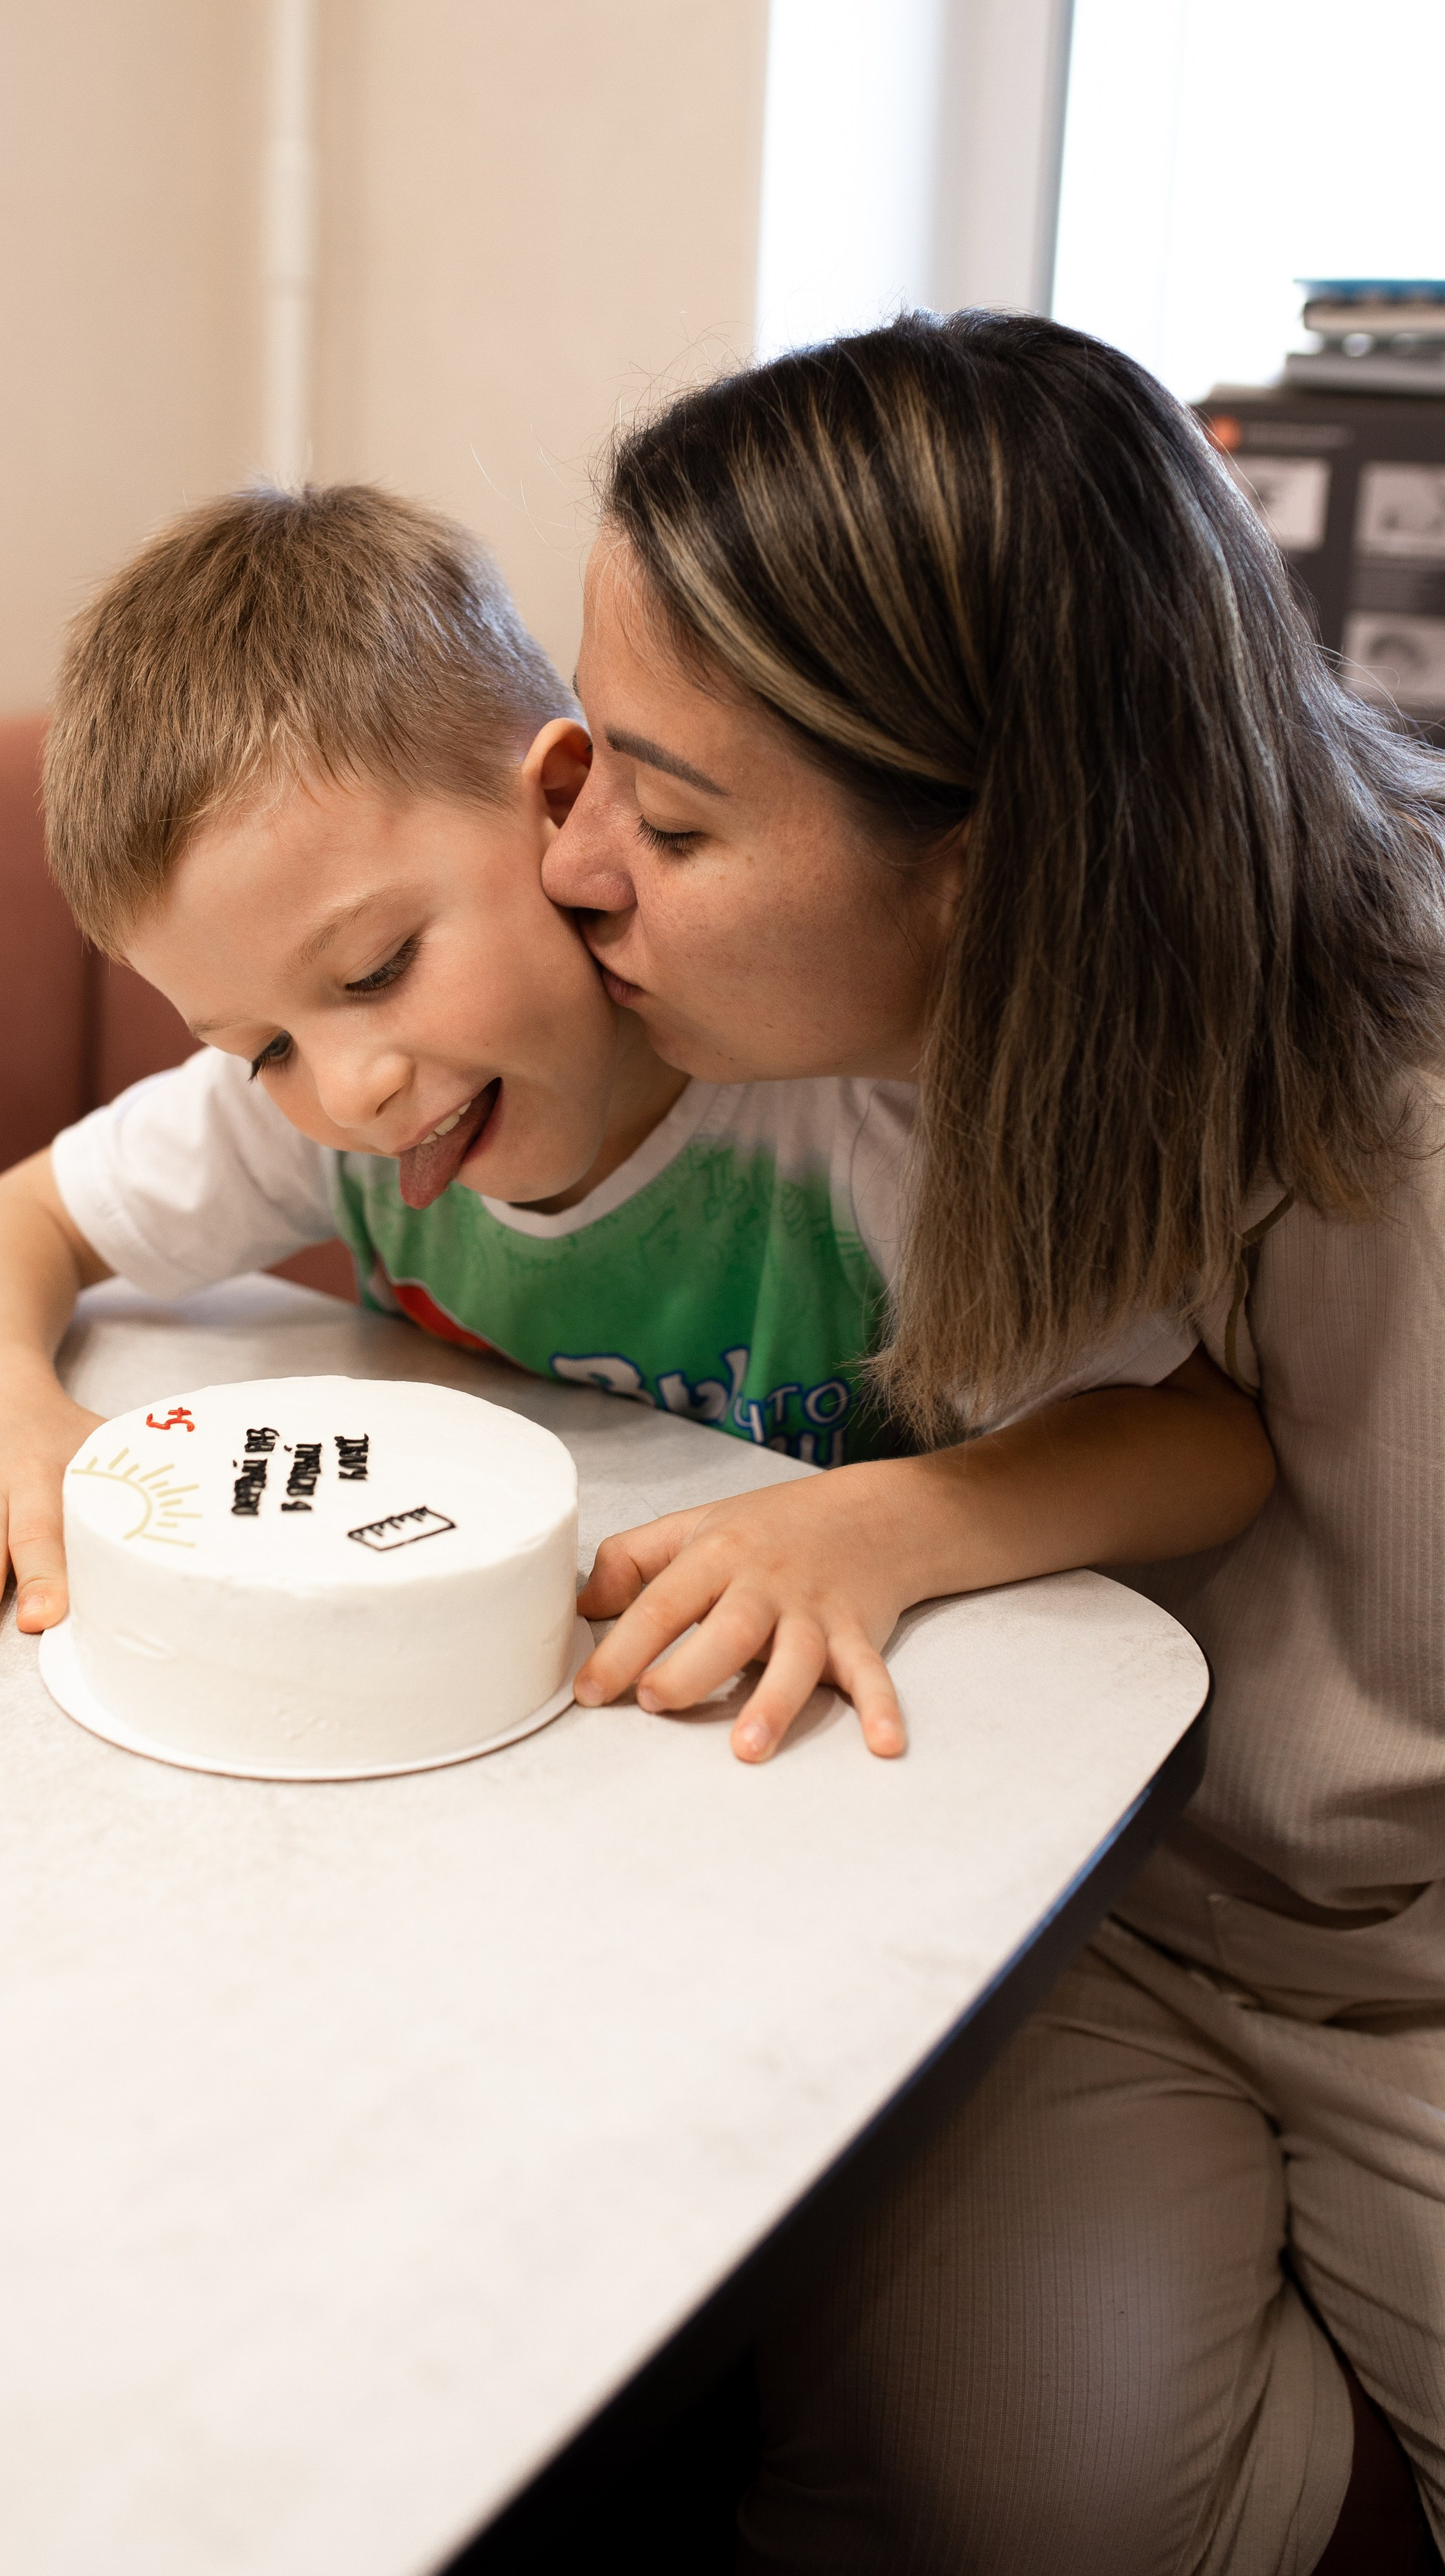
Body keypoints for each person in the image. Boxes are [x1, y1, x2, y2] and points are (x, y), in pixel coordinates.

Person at [540, 312, 1445, 2570]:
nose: (577, 869)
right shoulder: (877, 1059)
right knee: (981, 2480)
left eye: (671, 818)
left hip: (1411, 1959)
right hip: (1106, 1897)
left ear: (993, 861)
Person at [0, 480, 1270, 1767]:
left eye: (378, 969)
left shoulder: (834, 1110)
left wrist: (889, 1525)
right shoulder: (318, 1119)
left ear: (566, 808)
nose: (348, 1090)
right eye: (264, 1048)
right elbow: (6, 1222)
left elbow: (1200, 1442)